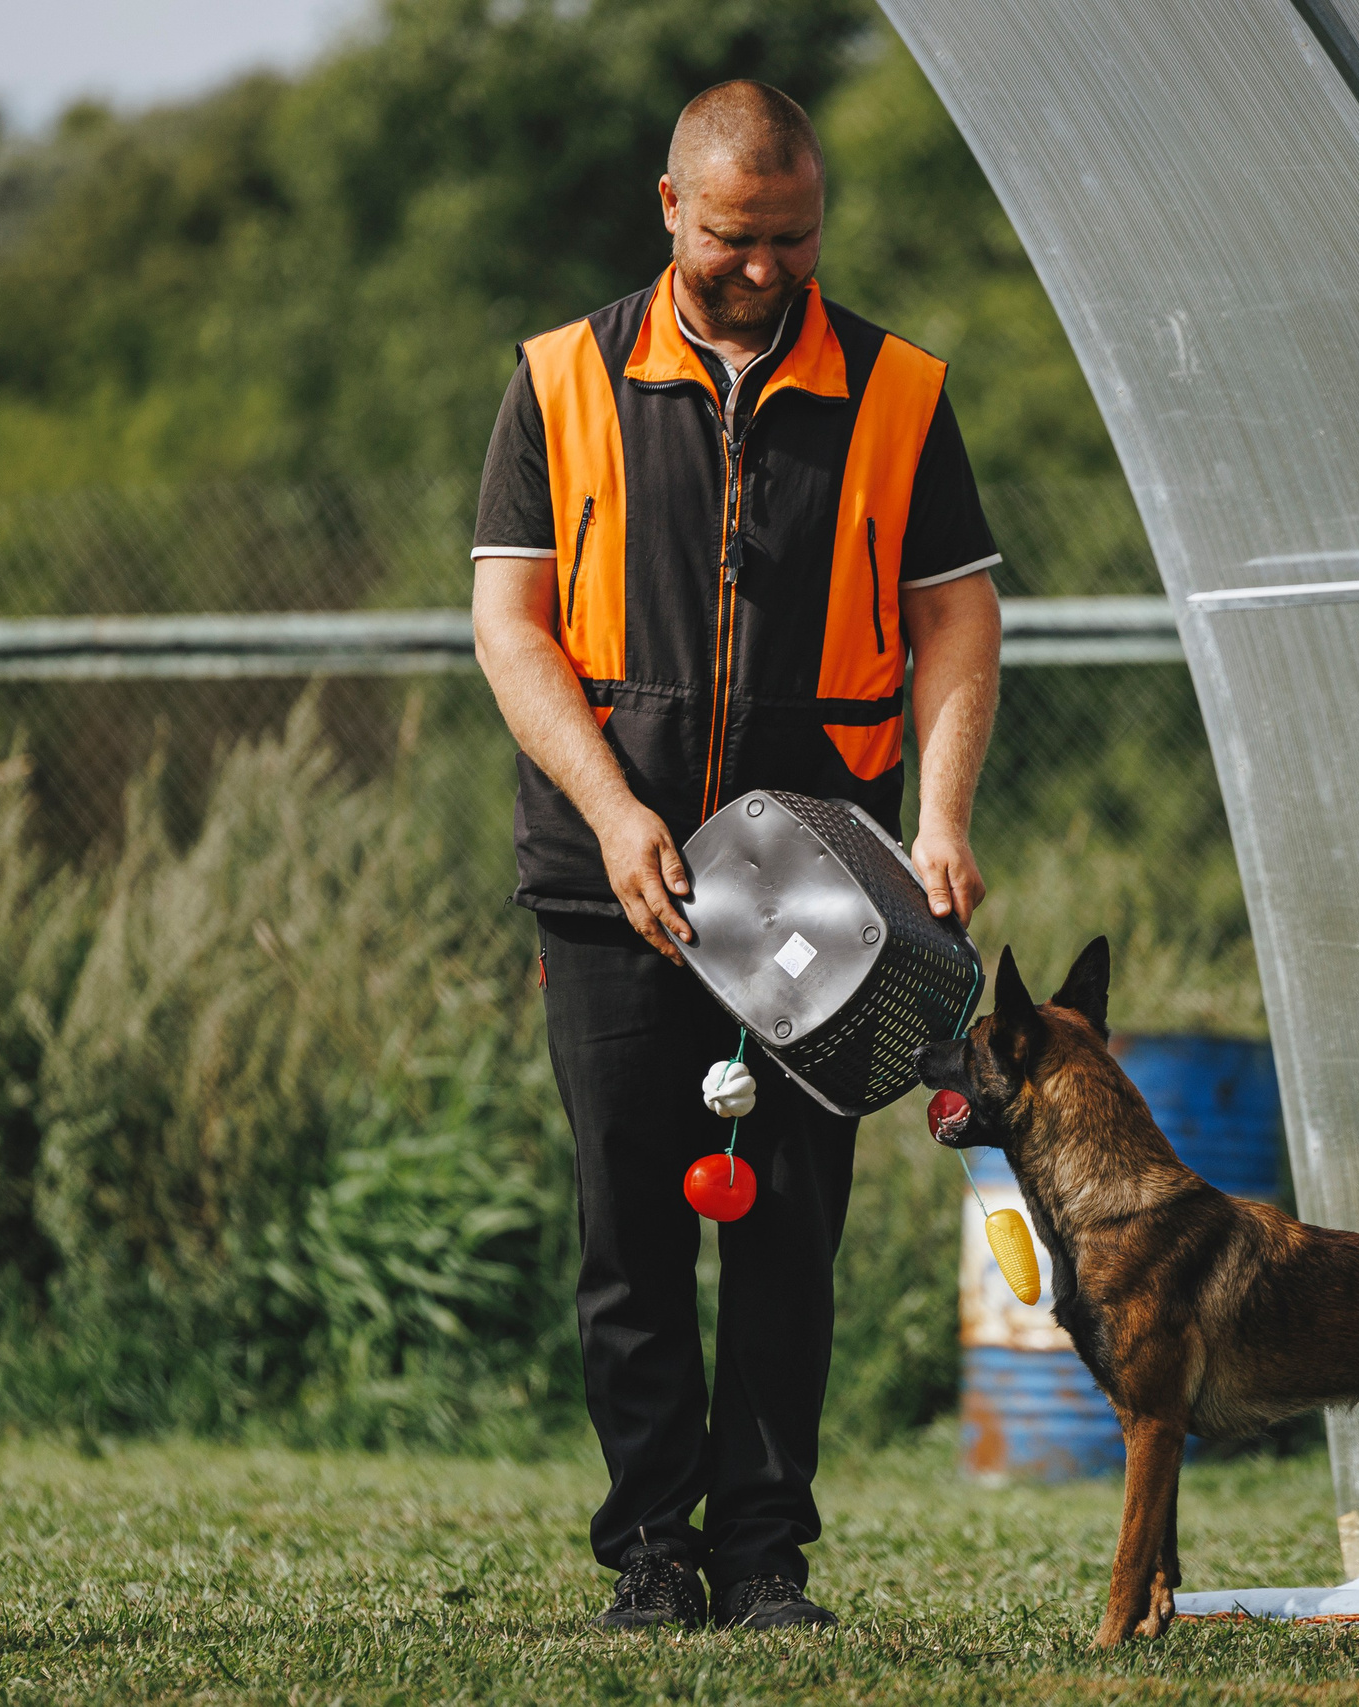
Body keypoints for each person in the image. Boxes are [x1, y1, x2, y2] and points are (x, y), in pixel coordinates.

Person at [469, 80, 1003, 1633]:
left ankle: (766, 1558)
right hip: (615, 876)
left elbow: (956, 619)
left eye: (795, 239)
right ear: (669, 209)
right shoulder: (558, 380)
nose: (766, 268)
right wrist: (611, 811)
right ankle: (652, 1552)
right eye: (733, 239)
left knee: (786, 1231)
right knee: (629, 1231)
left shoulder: (899, 390)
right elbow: (511, 627)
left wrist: (942, 817)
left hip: (822, 887)